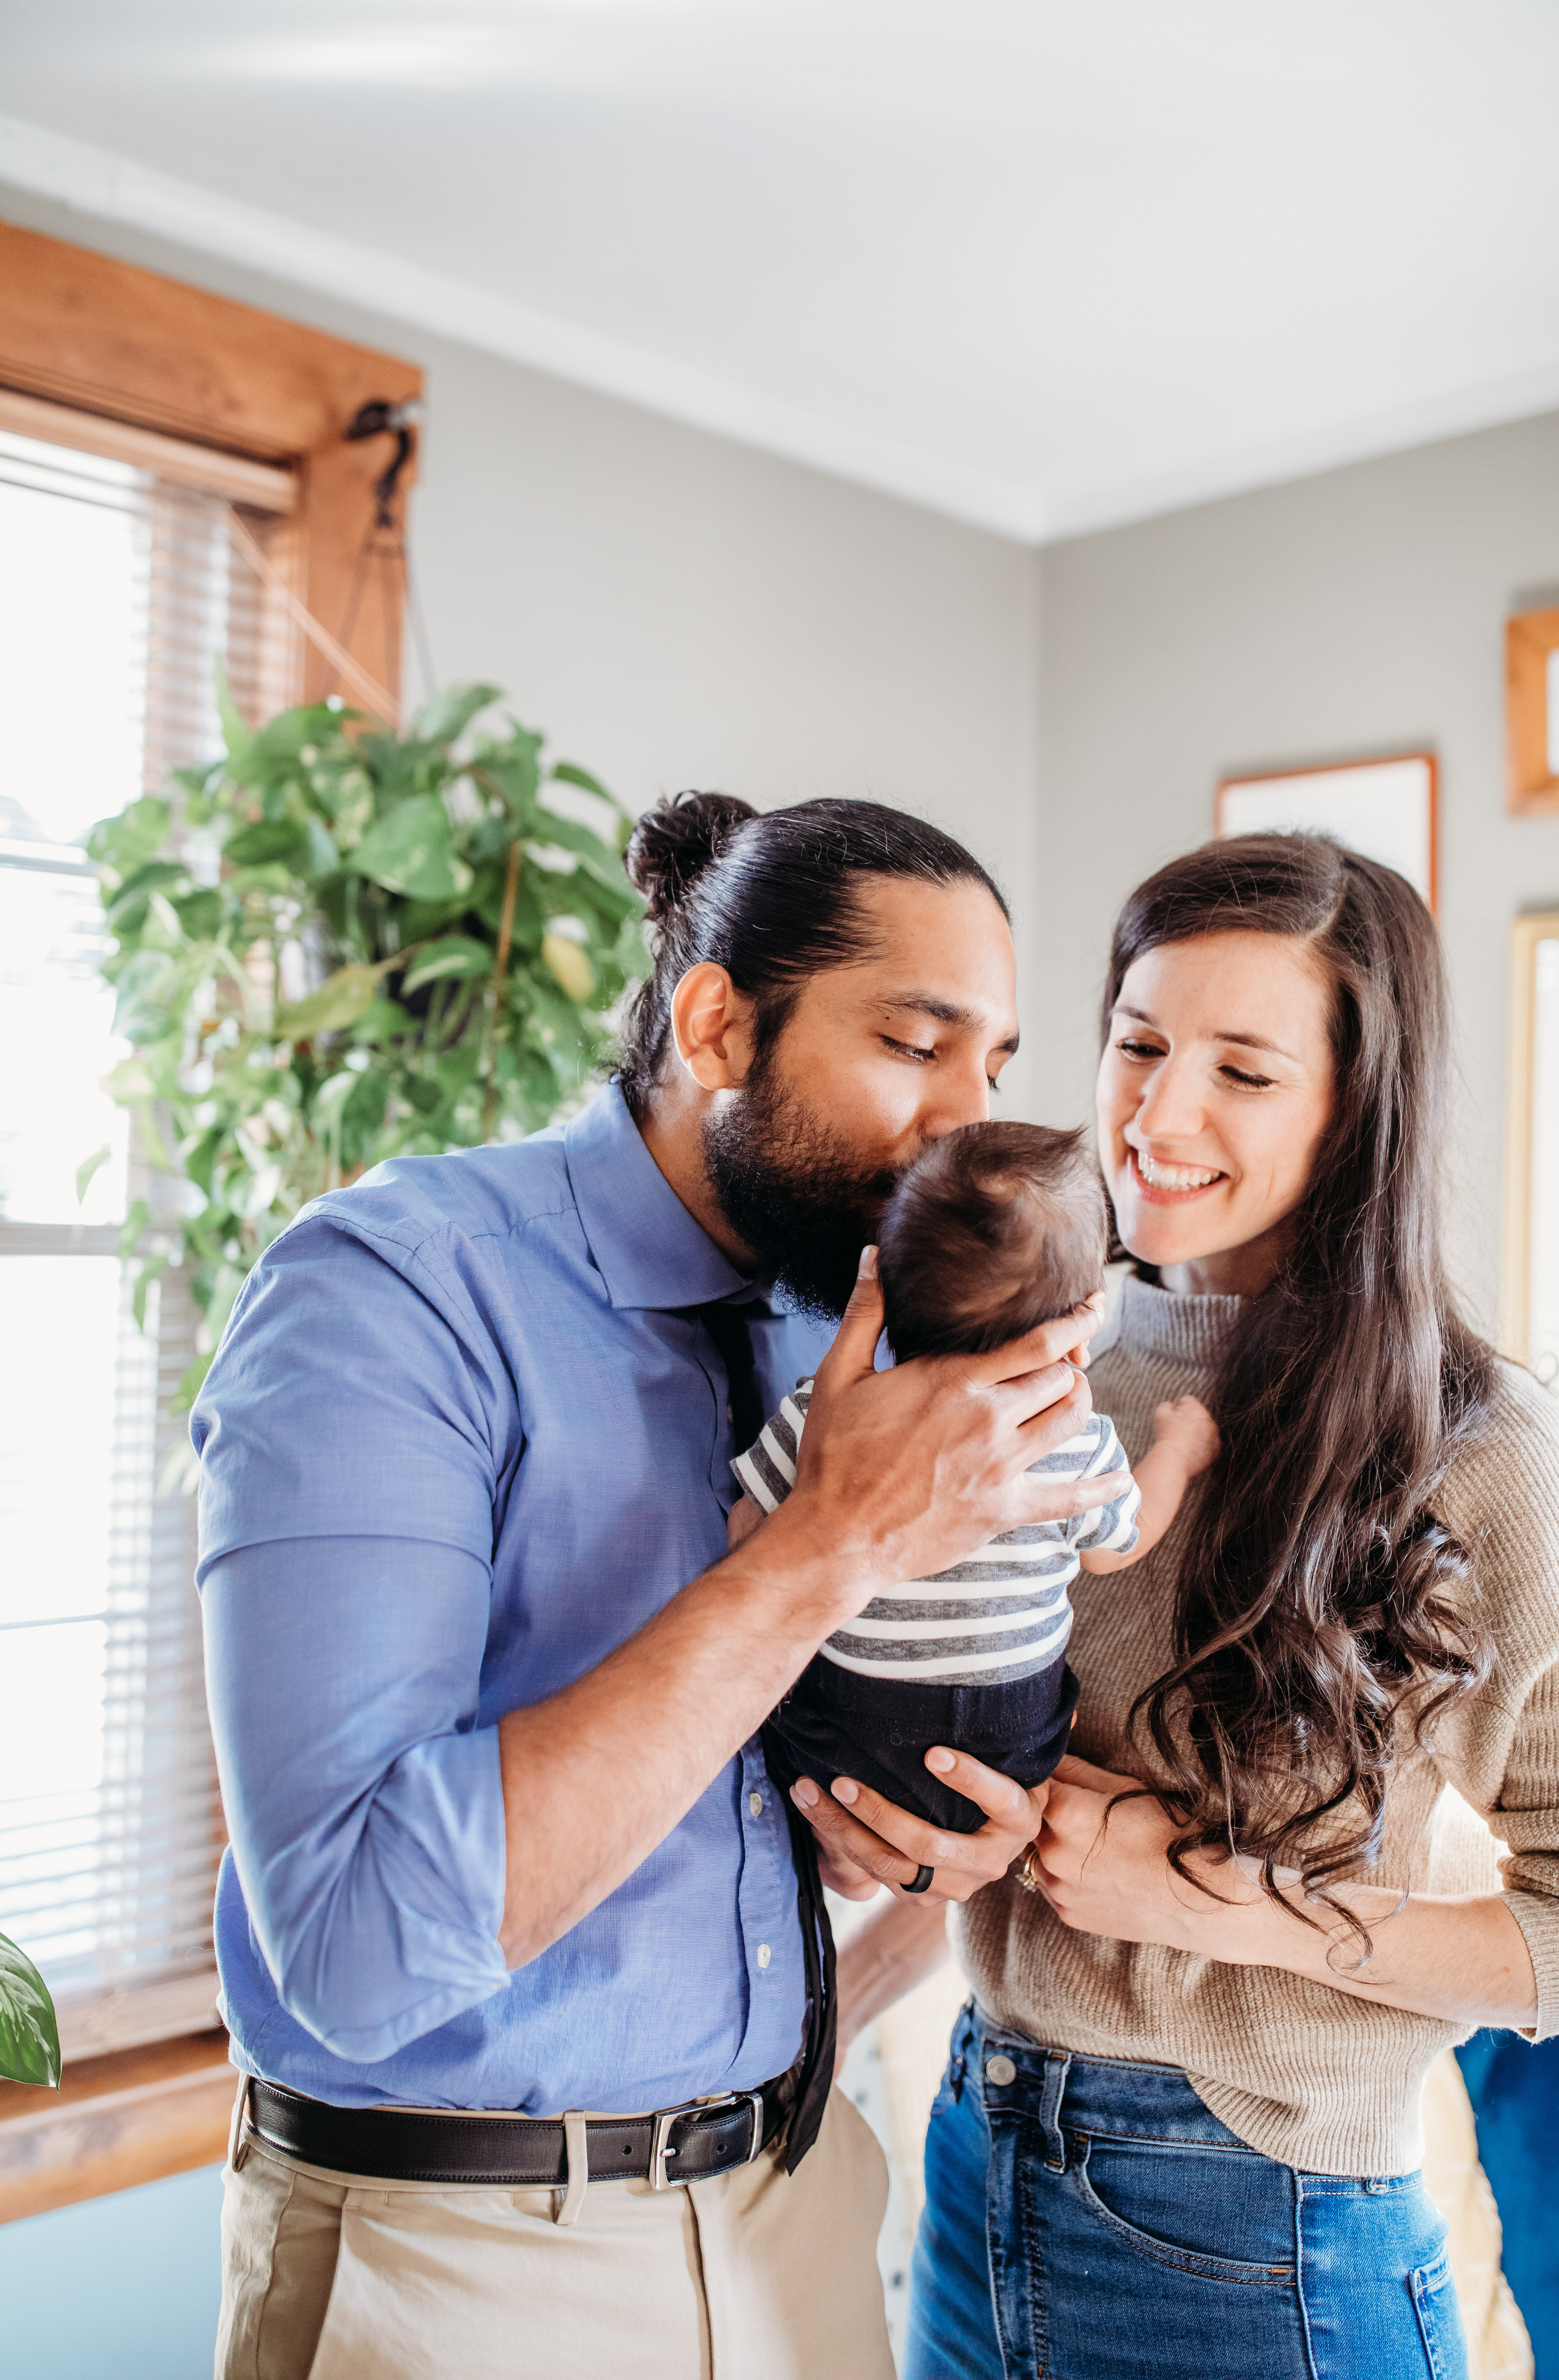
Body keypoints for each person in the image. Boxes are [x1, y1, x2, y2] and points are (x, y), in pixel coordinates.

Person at [195, 789, 1122, 2380]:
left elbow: (741, 1844)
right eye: (916, 1043)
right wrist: (823, 1546)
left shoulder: (850, 1323)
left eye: (997, 1065)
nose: (967, 1122)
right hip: (459, 2273)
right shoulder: (394, 1293)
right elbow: (349, 1946)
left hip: (800, 2216)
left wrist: (931, 1859)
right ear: (713, 1025)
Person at [797, 834, 1559, 2380]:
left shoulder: (1477, 1454)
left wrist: (1220, 1904)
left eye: (1245, 1071)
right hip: (978, 2158)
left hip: (1263, 2237)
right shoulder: (1020, 1355)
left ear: (1357, 1111)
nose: (1158, 1113)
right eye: (1137, 1044)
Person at [727, 1120, 1219, 1833]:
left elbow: (746, 1534)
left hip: (850, 1737)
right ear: (1075, 1335)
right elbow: (1119, 1545)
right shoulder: (1070, 1438)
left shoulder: (830, 1415)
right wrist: (1177, 1449)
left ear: (885, 1297)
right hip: (1012, 1746)